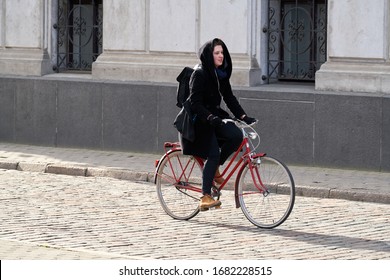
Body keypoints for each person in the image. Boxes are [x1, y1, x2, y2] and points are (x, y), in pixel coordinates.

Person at [180, 38, 257, 211]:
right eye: (217, 53)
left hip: (214, 116)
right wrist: (209, 117)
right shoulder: (199, 74)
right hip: (199, 121)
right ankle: (205, 196)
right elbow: (195, 103)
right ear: (209, 55)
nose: (221, 56)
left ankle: (214, 168)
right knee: (213, 153)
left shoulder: (220, 74)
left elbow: (229, 97)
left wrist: (243, 116)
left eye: (222, 52)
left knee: (236, 136)